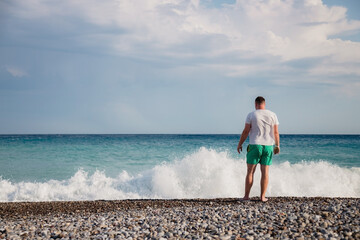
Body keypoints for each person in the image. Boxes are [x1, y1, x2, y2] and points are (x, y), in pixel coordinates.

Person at [237, 96, 280, 202]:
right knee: (265, 172)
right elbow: (275, 132)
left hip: (255, 145)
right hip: (268, 146)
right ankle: (262, 197)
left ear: (255, 104)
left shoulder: (251, 115)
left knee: (250, 172)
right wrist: (277, 145)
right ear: (264, 104)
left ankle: (246, 196)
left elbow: (246, 131)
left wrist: (240, 144)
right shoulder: (272, 115)